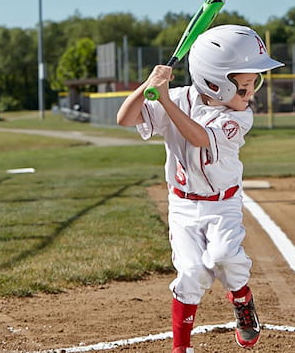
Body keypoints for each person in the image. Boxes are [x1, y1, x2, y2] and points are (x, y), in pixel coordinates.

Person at [116, 25, 284, 352]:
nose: (252, 92)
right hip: (182, 207)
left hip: (222, 206)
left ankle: (242, 300)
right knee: (190, 272)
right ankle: (181, 348)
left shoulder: (239, 118)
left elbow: (198, 137)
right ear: (215, 83)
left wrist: (164, 99)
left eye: (253, 84)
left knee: (224, 259)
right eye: (245, 86)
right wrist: (148, 86)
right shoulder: (177, 98)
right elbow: (125, 118)